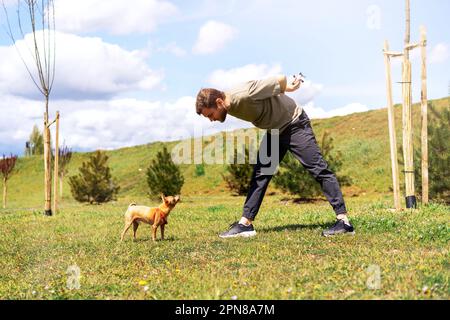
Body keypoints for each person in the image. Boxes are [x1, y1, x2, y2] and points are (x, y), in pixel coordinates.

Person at [195, 75, 355, 238]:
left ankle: (344, 222)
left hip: (294, 124)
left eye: (210, 115)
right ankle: (245, 224)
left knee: (318, 169)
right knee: (261, 174)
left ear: (219, 103)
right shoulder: (227, 104)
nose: (211, 120)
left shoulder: (244, 94)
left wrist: (289, 87)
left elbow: (278, 79)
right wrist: (283, 89)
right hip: (275, 131)